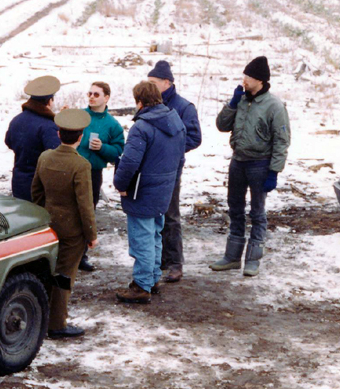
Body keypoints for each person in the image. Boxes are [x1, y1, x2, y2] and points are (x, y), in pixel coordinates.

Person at [210, 56, 290, 277]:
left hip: (260, 164)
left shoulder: (274, 106)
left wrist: (274, 171)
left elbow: (281, 140)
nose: (244, 80)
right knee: (235, 208)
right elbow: (221, 125)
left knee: (257, 212)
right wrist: (232, 104)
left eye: (248, 77)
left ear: (260, 81)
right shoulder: (241, 100)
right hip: (238, 161)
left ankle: (253, 259)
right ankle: (232, 257)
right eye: (244, 75)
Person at [113, 81, 186, 303]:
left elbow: (130, 162)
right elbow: (180, 158)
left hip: (142, 191)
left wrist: (120, 184)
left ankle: (141, 286)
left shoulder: (141, 127)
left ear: (140, 102)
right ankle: (152, 278)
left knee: (142, 238)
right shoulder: (176, 122)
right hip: (163, 188)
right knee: (154, 235)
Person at [31, 109, 97, 338]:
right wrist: (91, 235)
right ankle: (56, 323)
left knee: (47, 271)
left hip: (48, 224)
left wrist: (42, 218)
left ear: (59, 134)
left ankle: (40, 316)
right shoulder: (81, 165)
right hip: (72, 231)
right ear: (81, 137)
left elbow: (36, 192)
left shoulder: (45, 157)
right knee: (64, 275)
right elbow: (85, 205)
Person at [147, 60, 202, 283]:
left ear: (167, 83)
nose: (149, 87)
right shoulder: (149, 104)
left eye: (153, 82)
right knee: (152, 214)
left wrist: (169, 147)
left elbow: (194, 137)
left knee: (170, 215)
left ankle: (175, 263)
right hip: (150, 168)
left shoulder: (183, 107)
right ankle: (158, 259)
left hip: (170, 169)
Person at [75, 81, 125, 272]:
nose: (92, 97)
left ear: (107, 98)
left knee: (87, 213)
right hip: (71, 169)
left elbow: (120, 151)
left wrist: (103, 148)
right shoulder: (79, 116)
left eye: (96, 94)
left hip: (92, 173)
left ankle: (81, 256)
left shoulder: (112, 124)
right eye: (90, 93)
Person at [5, 75, 61, 200]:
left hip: (18, 180)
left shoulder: (16, 120)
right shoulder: (48, 126)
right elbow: (55, 155)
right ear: (49, 101)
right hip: (39, 185)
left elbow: (9, 142)